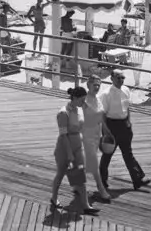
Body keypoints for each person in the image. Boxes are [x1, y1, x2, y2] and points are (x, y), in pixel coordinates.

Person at [50, 86, 98, 216]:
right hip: (64, 148)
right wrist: (69, 153)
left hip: (77, 146)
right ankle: (54, 197)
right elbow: (63, 135)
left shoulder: (79, 108)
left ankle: (85, 204)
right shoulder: (63, 113)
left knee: (80, 175)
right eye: (82, 100)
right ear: (75, 98)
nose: (84, 103)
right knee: (60, 174)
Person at [99, 69, 149, 191]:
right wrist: (105, 131)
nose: (121, 80)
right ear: (112, 79)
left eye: (122, 78)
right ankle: (102, 181)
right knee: (107, 155)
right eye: (118, 78)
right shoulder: (106, 94)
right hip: (111, 125)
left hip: (124, 125)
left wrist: (129, 123)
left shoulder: (126, 90)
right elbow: (102, 114)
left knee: (128, 153)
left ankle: (137, 180)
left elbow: (127, 108)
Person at [82, 75, 112, 203]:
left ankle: (78, 185)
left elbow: (101, 117)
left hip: (97, 135)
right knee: (94, 164)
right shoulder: (84, 101)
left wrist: (107, 131)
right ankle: (101, 189)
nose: (97, 87)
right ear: (88, 85)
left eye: (99, 85)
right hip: (86, 135)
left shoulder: (97, 99)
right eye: (94, 84)